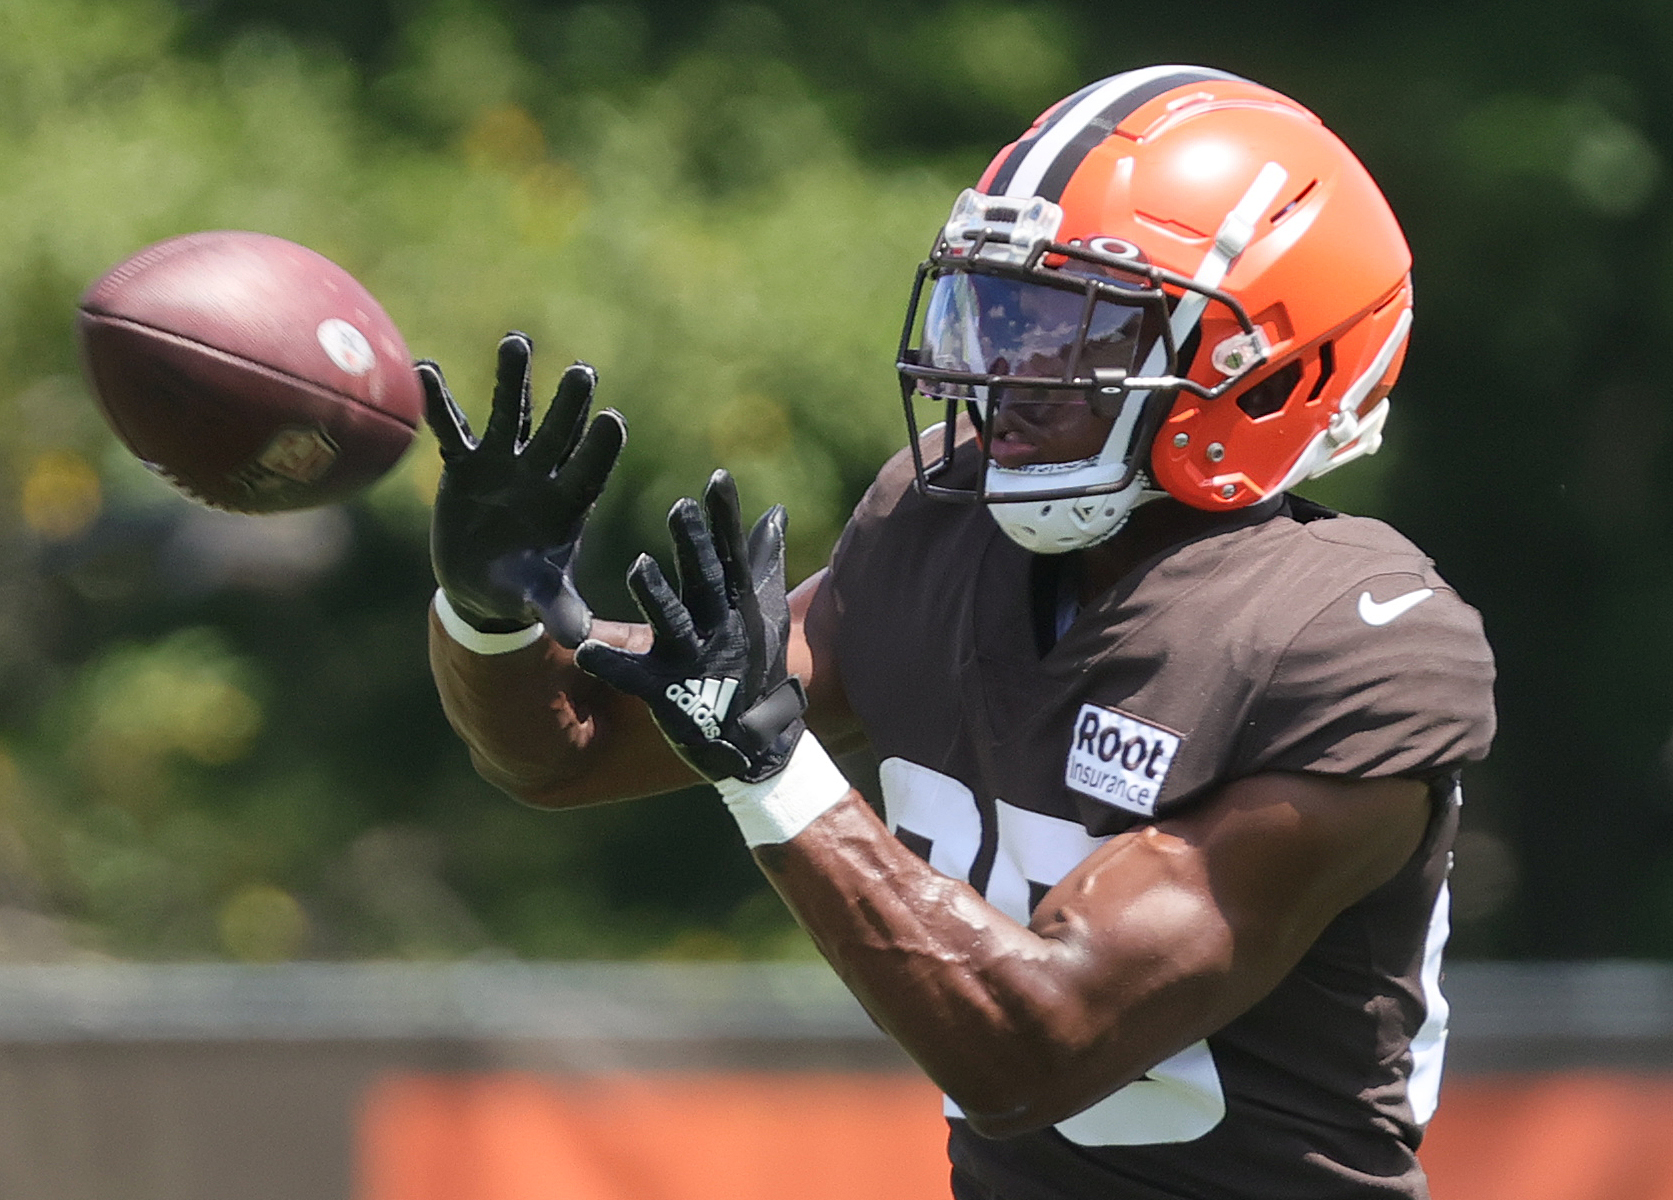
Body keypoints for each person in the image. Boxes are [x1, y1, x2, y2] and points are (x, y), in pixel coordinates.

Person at [419, 65, 1495, 1200]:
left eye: (1073, 331)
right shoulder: (943, 526)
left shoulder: (1347, 640)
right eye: (999, 313)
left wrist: (774, 773)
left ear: (1258, 365)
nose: (1004, 373)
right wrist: (495, 610)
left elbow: (1034, 1051)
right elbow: (569, 745)